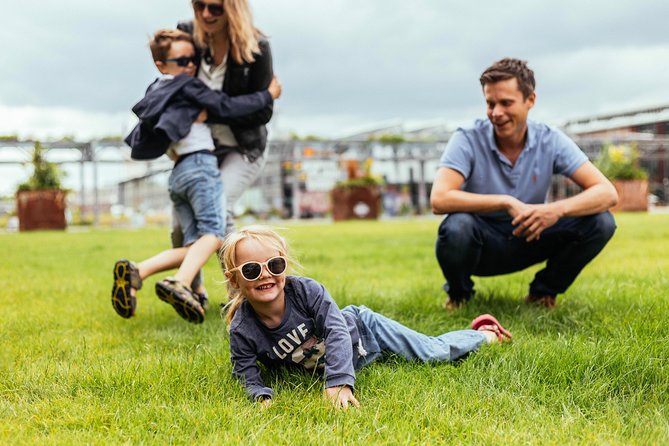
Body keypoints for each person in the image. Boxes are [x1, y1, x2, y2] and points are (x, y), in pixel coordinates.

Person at [221, 225, 512, 409]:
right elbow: (244, 368)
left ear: (285, 264)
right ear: (234, 280)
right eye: (251, 270)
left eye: (274, 264)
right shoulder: (243, 329)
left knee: (432, 352)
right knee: (399, 359)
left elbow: (336, 330)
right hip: (360, 355)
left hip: (366, 330)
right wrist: (260, 395)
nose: (266, 274)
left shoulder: (306, 292)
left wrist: (338, 383)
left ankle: (483, 334)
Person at [113, 29, 281, 323]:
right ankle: (180, 283)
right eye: (182, 60)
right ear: (161, 64)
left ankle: (139, 272)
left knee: (194, 245)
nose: (191, 65)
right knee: (214, 236)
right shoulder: (187, 87)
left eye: (193, 58)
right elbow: (227, 106)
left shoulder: (156, 90)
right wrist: (268, 95)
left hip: (177, 174)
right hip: (202, 168)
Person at [430, 58, 618, 310]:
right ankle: (459, 295)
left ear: (530, 100)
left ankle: (543, 292)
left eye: (506, 103)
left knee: (601, 221)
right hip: (482, 243)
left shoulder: (550, 140)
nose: (496, 113)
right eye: (490, 103)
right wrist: (505, 201)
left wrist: (555, 210)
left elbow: (607, 193)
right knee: (457, 227)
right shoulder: (466, 137)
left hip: (531, 234)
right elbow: (439, 199)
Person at [171, 0, 276, 307]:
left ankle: (241, 301)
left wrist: (212, 111)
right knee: (180, 224)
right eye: (200, 5)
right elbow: (173, 88)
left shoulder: (257, 47)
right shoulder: (187, 34)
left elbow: (263, 113)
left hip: (244, 148)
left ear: (233, 8)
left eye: (215, 7)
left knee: (219, 210)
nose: (206, 14)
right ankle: (193, 292)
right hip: (199, 148)